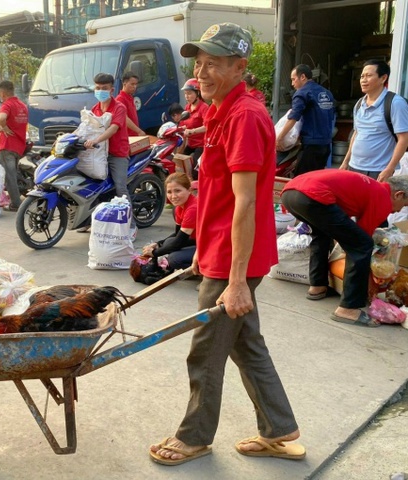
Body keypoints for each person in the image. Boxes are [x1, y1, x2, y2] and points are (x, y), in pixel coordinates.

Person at [150, 22, 305, 466]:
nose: (203, 72)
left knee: (205, 350)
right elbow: (215, 196)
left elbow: (246, 204)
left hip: (239, 257)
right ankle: (281, 429)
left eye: (214, 63)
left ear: (240, 67)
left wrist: (236, 279)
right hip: (219, 248)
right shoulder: (219, 111)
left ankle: (194, 437)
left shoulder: (245, 117)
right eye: (199, 64)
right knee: (244, 343)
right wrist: (201, 245)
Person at [282, 170, 408, 327]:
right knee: (362, 245)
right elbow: (363, 240)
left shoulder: (373, 188)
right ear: (399, 194)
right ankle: (348, 309)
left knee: (321, 236)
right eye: (404, 205)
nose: (398, 211)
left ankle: (318, 286)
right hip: (313, 195)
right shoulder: (383, 198)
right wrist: (370, 279)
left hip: (291, 193)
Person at [339, 59, 408, 182]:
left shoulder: (395, 103)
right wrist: (346, 162)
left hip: (378, 170)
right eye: (362, 76)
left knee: (373, 201)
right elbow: (356, 134)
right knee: (354, 201)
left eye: (369, 76)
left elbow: (404, 138)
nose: (363, 80)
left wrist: (389, 168)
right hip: (354, 167)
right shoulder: (359, 104)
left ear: (383, 78)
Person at [276, 64, 335, 176]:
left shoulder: (302, 92)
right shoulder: (327, 93)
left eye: (293, 79)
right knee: (316, 179)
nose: (292, 84)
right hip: (326, 145)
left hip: (311, 146)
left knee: (302, 180)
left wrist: (279, 138)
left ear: (302, 77)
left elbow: (294, 117)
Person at [84, 73, 130, 200]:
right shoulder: (94, 109)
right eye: (97, 88)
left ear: (112, 90)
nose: (100, 91)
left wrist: (96, 140)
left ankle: (130, 219)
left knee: (120, 187)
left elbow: (113, 128)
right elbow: (85, 128)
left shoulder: (119, 107)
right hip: (100, 152)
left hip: (117, 153)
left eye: (104, 88)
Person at [141, 172, 196, 270]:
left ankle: (204, 271)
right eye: (169, 192)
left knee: (174, 259)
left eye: (178, 191)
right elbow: (177, 234)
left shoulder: (193, 209)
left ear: (189, 190)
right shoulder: (179, 208)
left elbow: (179, 242)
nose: (173, 196)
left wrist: (154, 253)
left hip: (210, 246)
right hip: (196, 240)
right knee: (168, 242)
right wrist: (158, 244)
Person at [0, 80, 28, 212]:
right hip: (19, 145)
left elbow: (2, 117)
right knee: (12, 174)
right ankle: (15, 200)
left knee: (10, 177)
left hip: (8, 145)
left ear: (2, 93)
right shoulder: (22, 105)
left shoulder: (7, 104)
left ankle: (16, 204)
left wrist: (3, 127)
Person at [179, 78, 209, 164]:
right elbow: (183, 124)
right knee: (180, 162)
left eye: (189, 93)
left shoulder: (204, 108)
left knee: (195, 168)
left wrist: (193, 131)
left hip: (201, 145)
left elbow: (208, 126)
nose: (186, 96)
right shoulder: (187, 107)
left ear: (197, 93)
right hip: (191, 144)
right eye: (185, 94)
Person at [116, 71, 145, 137]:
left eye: (136, 84)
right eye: (132, 84)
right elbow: (124, 118)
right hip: (128, 137)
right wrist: (139, 131)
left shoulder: (130, 97)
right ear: (124, 83)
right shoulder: (120, 99)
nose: (135, 87)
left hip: (134, 135)